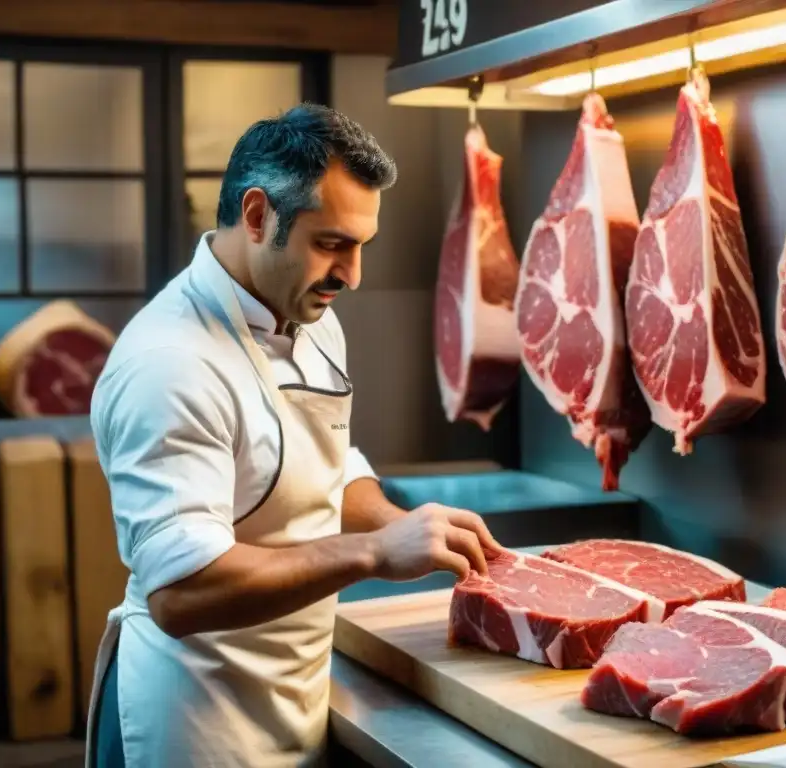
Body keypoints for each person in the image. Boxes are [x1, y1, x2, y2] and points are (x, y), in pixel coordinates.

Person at [84, 102, 503, 768]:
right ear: (257, 216)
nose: (353, 274)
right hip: (196, 722)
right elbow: (180, 593)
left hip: (295, 696)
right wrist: (371, 553)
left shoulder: (307, 314)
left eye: (362, 244)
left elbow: (322, 463)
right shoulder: (168, 361)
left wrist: (406, 526)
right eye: (331, 243)